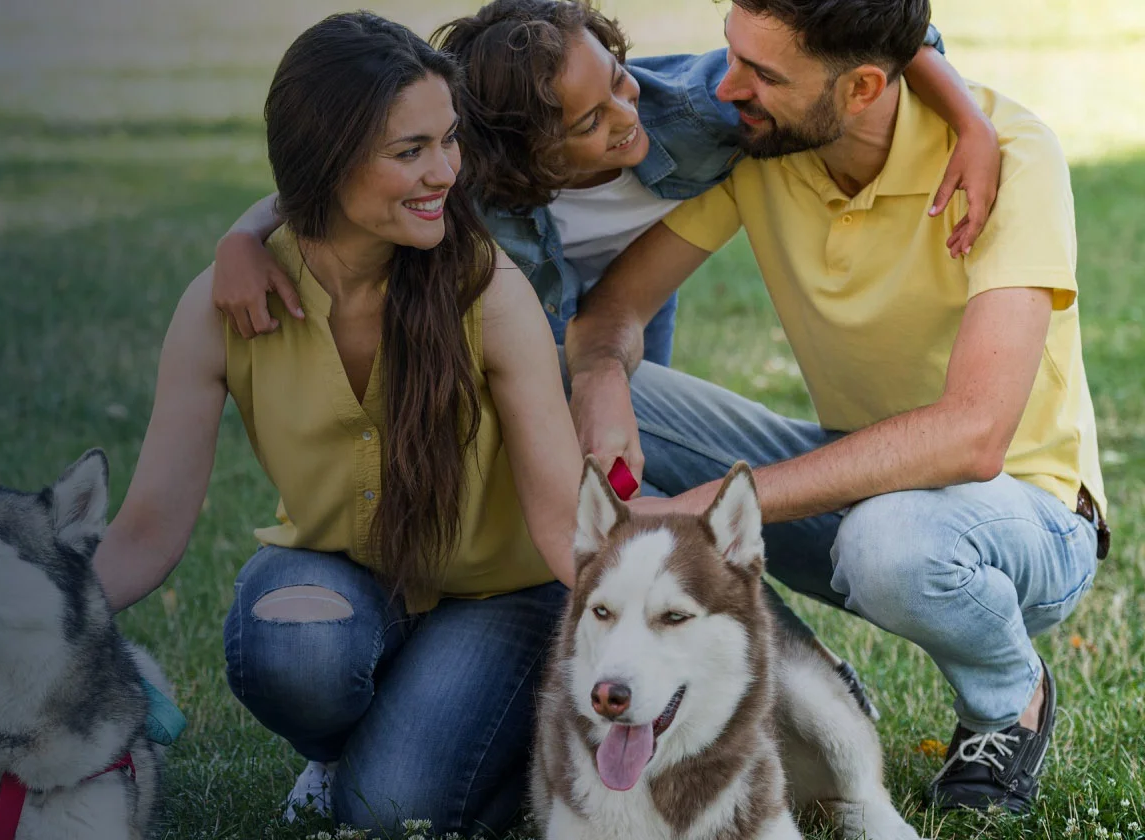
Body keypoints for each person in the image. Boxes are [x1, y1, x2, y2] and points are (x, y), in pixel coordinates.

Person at [565, 0, 1108, 816]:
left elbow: (975, 436)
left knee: (888, 542)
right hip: (857, 483)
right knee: (564, 389)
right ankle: (812, 693)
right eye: (730, 54)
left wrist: (701, 508)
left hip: (1025, 517)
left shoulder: (1012, 153)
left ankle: (1009, 699)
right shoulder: (765, 141)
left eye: (763, 74)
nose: (726, 89)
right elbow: (613, 312)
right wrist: (603, 372)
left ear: (860, 89)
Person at [88, 11, 584, 835]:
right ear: (326, 161)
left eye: (449, 141)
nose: (445, 173)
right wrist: (26, 624)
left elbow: (566, 524)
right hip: (344, 578)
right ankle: (348, 746)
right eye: (410, 151)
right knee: (294, 651)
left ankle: (513, 740)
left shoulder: (489, 294)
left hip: (500, 596)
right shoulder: (226, 304)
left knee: (392, 814)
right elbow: (146, 529)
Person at [210, 0, 1001, 371]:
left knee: (639, 427)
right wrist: (241, 241)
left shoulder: (696, 108)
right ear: (521, 150)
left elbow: (877, 32)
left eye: (620, 80)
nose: (627, 118)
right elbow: (335, 185)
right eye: (589, 122)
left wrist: (971, 124)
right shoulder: (466, 177)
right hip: (539, 305)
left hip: (638, 287)